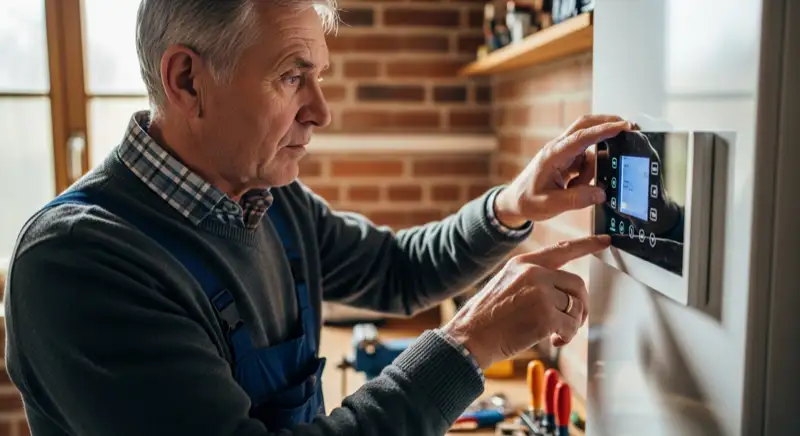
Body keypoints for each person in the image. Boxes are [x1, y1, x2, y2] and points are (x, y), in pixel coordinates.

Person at [2, 0, 633, 435]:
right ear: (188, 79)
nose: (321, 111)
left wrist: (511, 205)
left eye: (319, 77)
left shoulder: (266, 199)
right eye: (291, 77)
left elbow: (395, 270)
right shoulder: (79, 264)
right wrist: (471, 344)